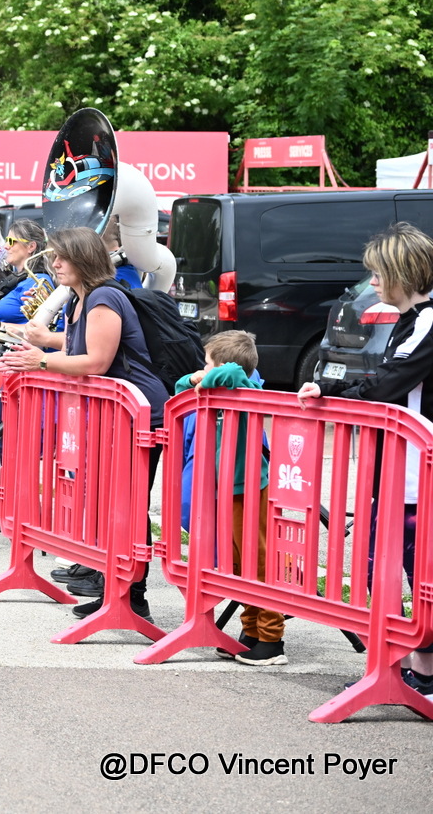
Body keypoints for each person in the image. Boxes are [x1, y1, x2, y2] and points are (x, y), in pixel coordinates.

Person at [0, 226, 167, 622]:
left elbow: (96, 361)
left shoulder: (104, 296)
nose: (55, 263)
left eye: (63, 257)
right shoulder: (82, 298)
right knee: (111, 503)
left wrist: (39, 360)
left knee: (127, 505)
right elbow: (79, 347)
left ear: (83, 260)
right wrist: (44, 343)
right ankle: (115, 591)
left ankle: (132, 598)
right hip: (115, 414)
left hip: (136, 414)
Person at [299, 222, 433, 690]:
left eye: (378, 274)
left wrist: (334, 391)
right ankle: (410, 669)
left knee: (415, 573)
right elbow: (387, 381)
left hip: (417, 472)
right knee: (383, 568)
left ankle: (419, 672)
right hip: (400, 469)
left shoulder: (428, 320)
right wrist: (331, 389)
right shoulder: (412, 319)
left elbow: (389, 384)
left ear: (403, 273)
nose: (372, 283)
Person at [174, 330, 282, 665]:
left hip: (249, 488)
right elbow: (178, 389)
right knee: (237, 564)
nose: (202, 370)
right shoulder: (214, 389)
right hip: (223, 490)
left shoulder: (245, 387)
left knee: (258, 562)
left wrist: (210, 376)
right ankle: (251, 630)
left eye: (207, 364)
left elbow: (234, 372)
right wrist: (195, 378)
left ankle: (272, 638)